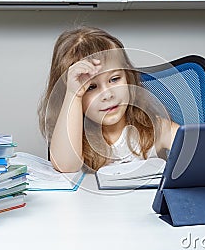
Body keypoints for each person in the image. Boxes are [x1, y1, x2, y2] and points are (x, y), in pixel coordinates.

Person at [38, 26, 179, 173]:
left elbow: (198, 152)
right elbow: (66, 166)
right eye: (91, 87)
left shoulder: (156, 128)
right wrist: (74, 94)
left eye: (115, 79)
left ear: (128, 78)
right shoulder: (74, 138)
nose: (107, 94)